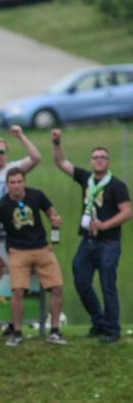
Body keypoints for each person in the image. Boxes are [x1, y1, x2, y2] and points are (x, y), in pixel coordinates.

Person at [52, 129, 131, 344]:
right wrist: (57, 143)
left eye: (102, 157)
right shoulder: (86, 179)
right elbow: (61, 162)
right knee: (81, 281)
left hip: (109, 242)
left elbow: (127, 212)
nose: (98, 160)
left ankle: (112, 329)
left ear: (108, 161)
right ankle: (98, 321)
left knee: (108, 285)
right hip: (87, 241)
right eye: (95, 157)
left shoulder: (116, 185)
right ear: (91, 161)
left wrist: (104, 225)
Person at [0, 168, 66, 346]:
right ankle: (17, 332)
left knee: (57, 287)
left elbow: (51, 213)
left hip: (42, 248)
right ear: (7, 185)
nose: (16, 186)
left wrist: (55, 220)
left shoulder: (36, 195)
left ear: (24, 182)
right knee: (18, 291)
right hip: (18, 251)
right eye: (12, 183)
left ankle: (55, 330)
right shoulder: (1, 205)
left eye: (19, 182)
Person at [0, 126, 42, 204]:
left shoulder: (13, 169)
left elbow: (36, 158)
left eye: (1, 152)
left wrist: (20, 136)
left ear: (6, 154)